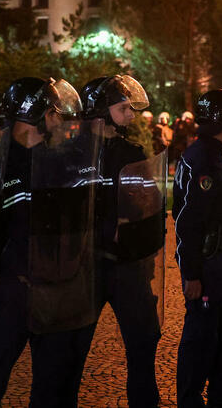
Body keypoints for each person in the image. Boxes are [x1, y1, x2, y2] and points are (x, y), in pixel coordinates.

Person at [0, 76, 95, 407]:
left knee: (52, 383)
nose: (59, 119)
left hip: (55, 290)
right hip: (12, 290)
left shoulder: (60, 160)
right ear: (37, 114)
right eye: (54, 112)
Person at [72, 75, 163, 408]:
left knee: (143, 341)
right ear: (99, 109)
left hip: (126, 265)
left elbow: (148, 205)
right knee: (70, 348)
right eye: (123, 108)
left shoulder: (132, 152)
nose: (131, 115)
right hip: (85, 267)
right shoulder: (73, 153)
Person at [173, 89, 222, 408]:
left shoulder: (208, 155)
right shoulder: (204, 160)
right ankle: (190, 399)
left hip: (217, 260)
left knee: (221, 330)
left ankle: (220, 392)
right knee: (201, 335)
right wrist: (192, 273)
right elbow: (190, 222)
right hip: (207, 262)